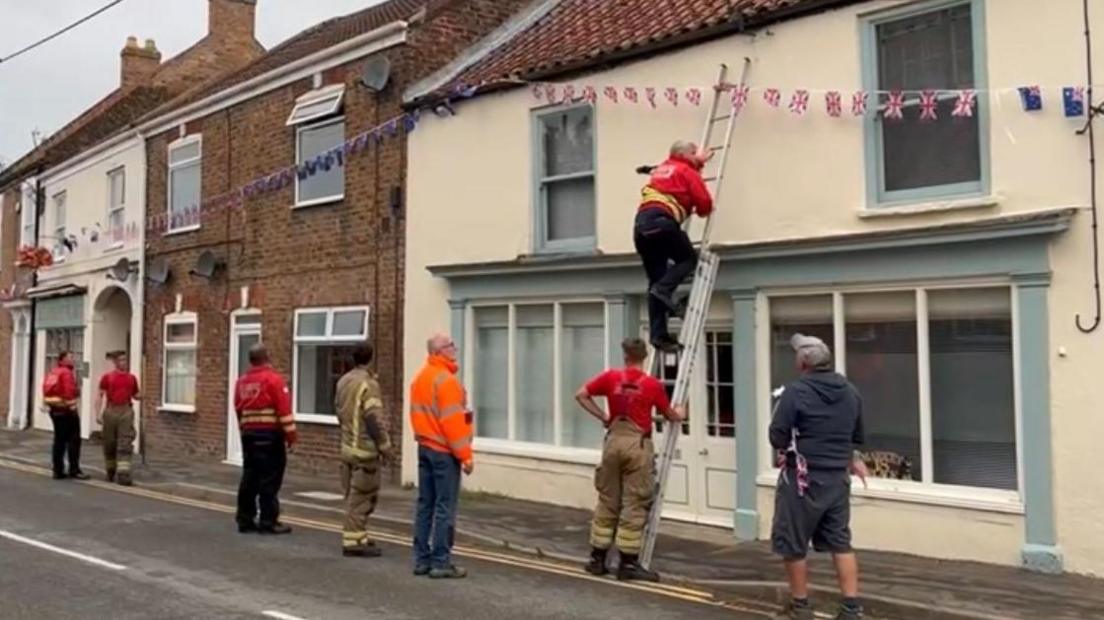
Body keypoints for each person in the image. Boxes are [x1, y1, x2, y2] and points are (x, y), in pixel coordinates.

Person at [769, 334, 868, 620]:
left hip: (802, 479)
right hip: (838, 478)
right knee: (840, 542)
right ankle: (851, 608)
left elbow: (777, 434)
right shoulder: (851, 392)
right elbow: (856, 437)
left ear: (802, 363)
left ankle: (800, 606)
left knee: (793, 542)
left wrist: (787, 446)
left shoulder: (795, 392)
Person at [575, 337, 686, 582]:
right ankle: (628, 564)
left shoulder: (610, 377)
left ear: (625, 356)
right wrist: (681, 413)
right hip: (637, 445)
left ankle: (597, 559)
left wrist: (603, 415)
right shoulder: (652, 385)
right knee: (634, 502)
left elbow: (581, 395)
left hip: (613, 441)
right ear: (645, 357)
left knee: (607, 500)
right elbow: (669, 414)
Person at [634, 140, 714, 352]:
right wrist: (698, 170)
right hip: (662, 223)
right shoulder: (687, 172)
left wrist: (698, 163)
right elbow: (705, 204)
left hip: (641, 227)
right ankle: (664, 290)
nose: (698, 155)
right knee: (688, 260)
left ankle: (659, 336)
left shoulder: (662, 169)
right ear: (685, 154)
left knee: (655, 281)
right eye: (694, 152)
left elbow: (663, 169)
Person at [409, 332, 473, 579]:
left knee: (425, 504)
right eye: (450, 346)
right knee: (445, 507)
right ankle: (441, 561)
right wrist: (466, 456)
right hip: (444, 452)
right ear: (438, 352)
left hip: (424, 446)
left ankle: (421, 560)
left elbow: (417, 415)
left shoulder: (420, 379)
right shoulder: (446, 381)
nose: (454, 348)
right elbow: (453, 424)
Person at [233, 343, 298, 535]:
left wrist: (243, 430)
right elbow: (284, 411)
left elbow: (238, 409)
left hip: (249, 435)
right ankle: (268, 520)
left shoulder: (241, 382)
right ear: (267, 358)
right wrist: (291, 437)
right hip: (270, 436)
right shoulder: (273, 380)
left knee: (249, 477)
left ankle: (244, 519)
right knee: (270, 479)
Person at [335, 343, 393, 557]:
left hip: (347, 448)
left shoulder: (343, 381)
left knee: (353, 494)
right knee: (362, 497)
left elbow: (339, 412)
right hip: (364, 451)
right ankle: (352, 541)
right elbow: (373, 418)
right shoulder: (369, 384)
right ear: (371, 359)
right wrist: (385, 446)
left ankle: (359, 534)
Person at [96, 351, 141, 486]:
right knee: (109, 443)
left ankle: (123, 474)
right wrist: (98, 413)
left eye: (125, 360)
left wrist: (142, 395)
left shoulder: (132, 378)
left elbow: (135, 394)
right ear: (115, 363)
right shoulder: (107, 378)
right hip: (110, 411)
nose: (124, 363)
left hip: (126, 411)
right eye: (121, 360)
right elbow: (99, 396)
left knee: (125, 442)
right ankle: (110, 470)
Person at [42, 351, 89, 481]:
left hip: (54, 410)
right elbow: (68, 392)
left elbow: (46, 389)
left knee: (59, 441)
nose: (73, 359)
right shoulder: (66, 373)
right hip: (66, 411)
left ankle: (58, 470)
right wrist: (73, 407)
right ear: (63, 359)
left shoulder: (53, 372)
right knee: (74, 441)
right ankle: (74, 469)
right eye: (70, 357)